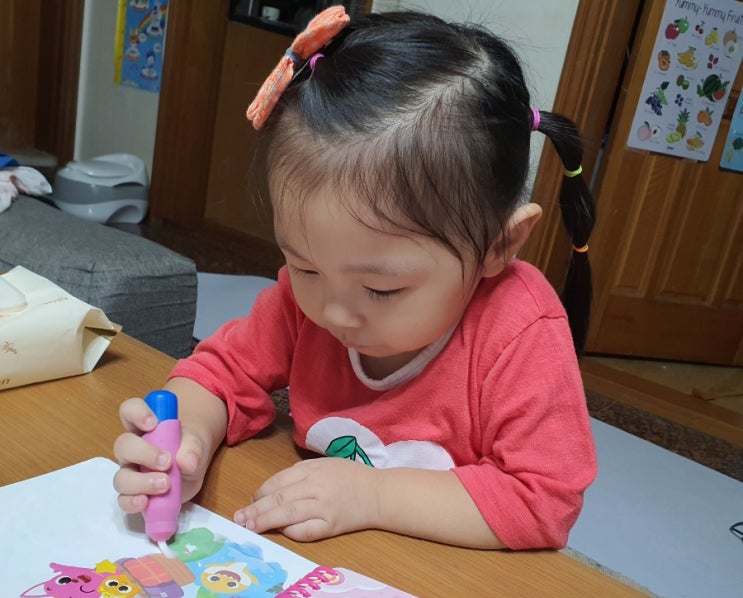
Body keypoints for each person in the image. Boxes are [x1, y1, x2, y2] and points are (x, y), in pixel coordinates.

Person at [114, 6, 597, 550]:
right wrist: (188, 442)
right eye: (305, 266)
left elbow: (542, 501)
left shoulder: (519, 332)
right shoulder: (309, 299)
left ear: (498, 246)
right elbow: (219, 373)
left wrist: (373, 496)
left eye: (381, 289)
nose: (333, 312)